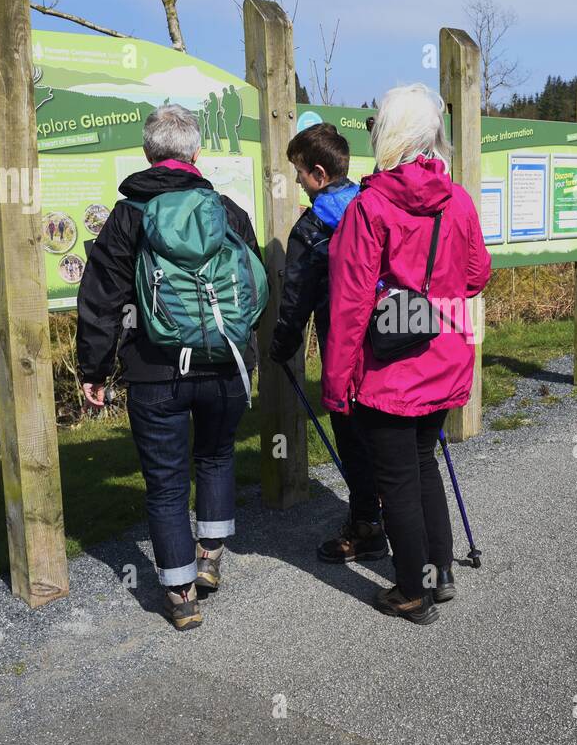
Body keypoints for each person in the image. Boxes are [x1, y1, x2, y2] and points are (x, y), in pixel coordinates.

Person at [77, 104, 263, 632]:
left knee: (164, 482)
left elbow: (100, 299)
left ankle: (181, 595)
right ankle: (209, 557)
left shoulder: (128, 216)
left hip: (155, 372)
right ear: (196, 154)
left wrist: (94, 368)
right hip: (224, 368)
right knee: (217, 455)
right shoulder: (226, 210)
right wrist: (245, 352)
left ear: (147, 154)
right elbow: (253, 288)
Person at [323, 83, 491, 624]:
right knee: (423, 463)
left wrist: (336, 383)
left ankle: (412, 592)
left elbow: (349, 305)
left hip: (391, 367)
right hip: (444, 354)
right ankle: (438, 572)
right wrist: (432, 289)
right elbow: (476, 275)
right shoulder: (458, 199)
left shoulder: (369, 207)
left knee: (396, 479)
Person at [268, 123, 384, 562]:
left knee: (352, 437)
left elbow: (295, 300)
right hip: (388, 343)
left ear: (318, 172)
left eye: (298, 171)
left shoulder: (311, 228)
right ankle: (387, 515)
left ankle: (366, 528)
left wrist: (281, 344)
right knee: (382, 435)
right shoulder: (373, 206)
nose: (296, 179)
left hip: (343, 349)